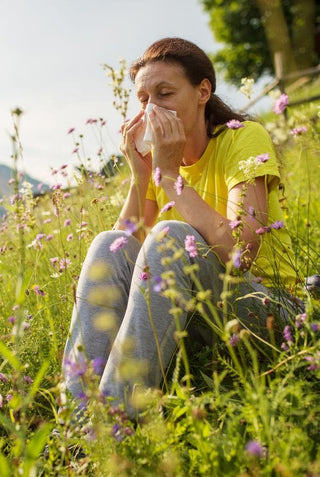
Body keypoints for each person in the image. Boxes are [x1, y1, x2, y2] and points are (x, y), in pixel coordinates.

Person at [62, 37, 301, 418]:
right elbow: (118, 260)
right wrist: (142, 176)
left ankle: (111, 424)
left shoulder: (242, 137)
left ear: (202, 91)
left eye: (165, 93)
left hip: (267, 312)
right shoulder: (161, 162)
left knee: (172, 236)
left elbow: (240, 255)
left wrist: (169, 174)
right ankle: (75, 424)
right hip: (199, 318)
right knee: (109, 242)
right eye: (143, 99)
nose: (152, 108)